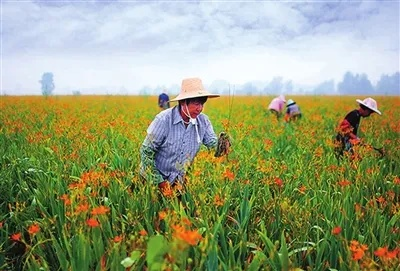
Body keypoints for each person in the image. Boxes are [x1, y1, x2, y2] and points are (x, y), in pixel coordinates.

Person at [140, 77, 220, 197]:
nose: (200, 108)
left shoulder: (203, 121)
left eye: (202, 104)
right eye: (196, 104)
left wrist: (223, 144)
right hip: (153, 182)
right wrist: (160, 183)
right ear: (183, 102)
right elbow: (146, 152)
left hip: (179, 183)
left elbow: (213, 146)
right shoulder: (163, 120)